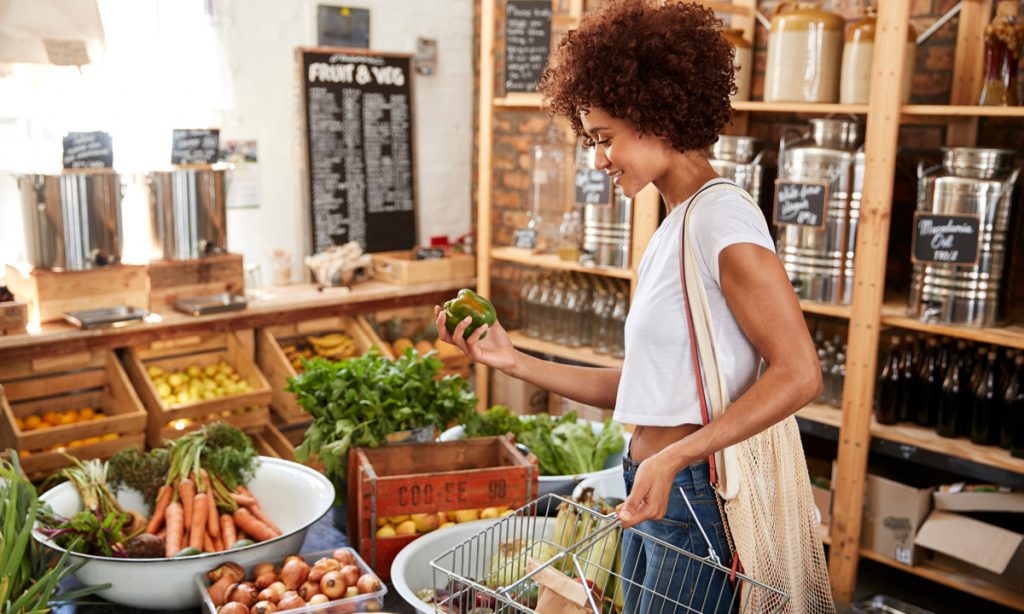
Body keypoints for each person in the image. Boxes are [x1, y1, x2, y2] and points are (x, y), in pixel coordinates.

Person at [436, 1, 824, 611]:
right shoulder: (677, 223)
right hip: (658, 484)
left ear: (654, 114)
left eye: (604, 138)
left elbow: (800, 373)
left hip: (697, 497)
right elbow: (644, 388)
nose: (597, 159)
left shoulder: (719, 219)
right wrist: (514, 362)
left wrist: (676, 456)